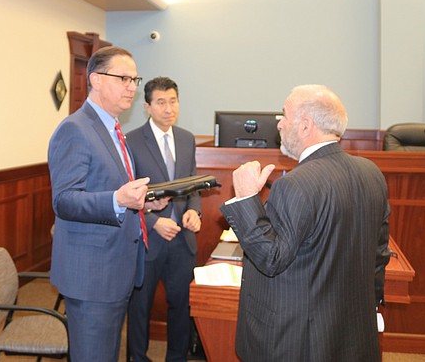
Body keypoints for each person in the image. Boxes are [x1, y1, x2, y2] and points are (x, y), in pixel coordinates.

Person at [219, 84, 391, 362]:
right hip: (352, 329)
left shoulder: (295, 185)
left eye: (284, 115)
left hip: (301, 339)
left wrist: (246, 198)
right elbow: (379, 254)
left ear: (305, 125)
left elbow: (272, 259)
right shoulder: (371, 173)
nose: (279, 123)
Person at [48, 46, 169, 362]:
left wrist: (143, 204)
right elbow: (65, 201)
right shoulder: (75, 129)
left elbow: (109, 188)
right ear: (96, 80)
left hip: (117, 268)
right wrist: (118, 199)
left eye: (135, 79)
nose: (132, 86)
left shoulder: (114, 130)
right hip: (92, 275)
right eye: (124, 78)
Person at [125, 77, 201, 362]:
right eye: (161, 102)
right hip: (148, 239)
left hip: (183, 240)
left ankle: (177, 357)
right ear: (147, 106)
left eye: (173, 101)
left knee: (181, 306)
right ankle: (138, 358)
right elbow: (126, 193)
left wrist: (195, 211)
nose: (168, 108)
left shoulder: (186, 138)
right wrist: (154, 221)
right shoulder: (131, 141)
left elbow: (192, 184)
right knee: (140, 308)